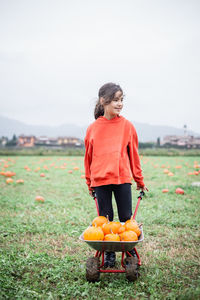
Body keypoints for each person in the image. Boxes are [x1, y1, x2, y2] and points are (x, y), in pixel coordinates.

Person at [84, 82, 148, 268]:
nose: (119, 104)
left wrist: (139, 180)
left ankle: (129, 253)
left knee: (127, 217)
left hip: (122, 180)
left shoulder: (127, 126)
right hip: (101, 181)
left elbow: (134, 156)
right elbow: (88, 159)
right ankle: (109, 255)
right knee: (105, 221)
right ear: (103, 101)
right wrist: (90, 183)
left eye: (121, 100)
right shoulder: (93, 128)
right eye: (115, 100)